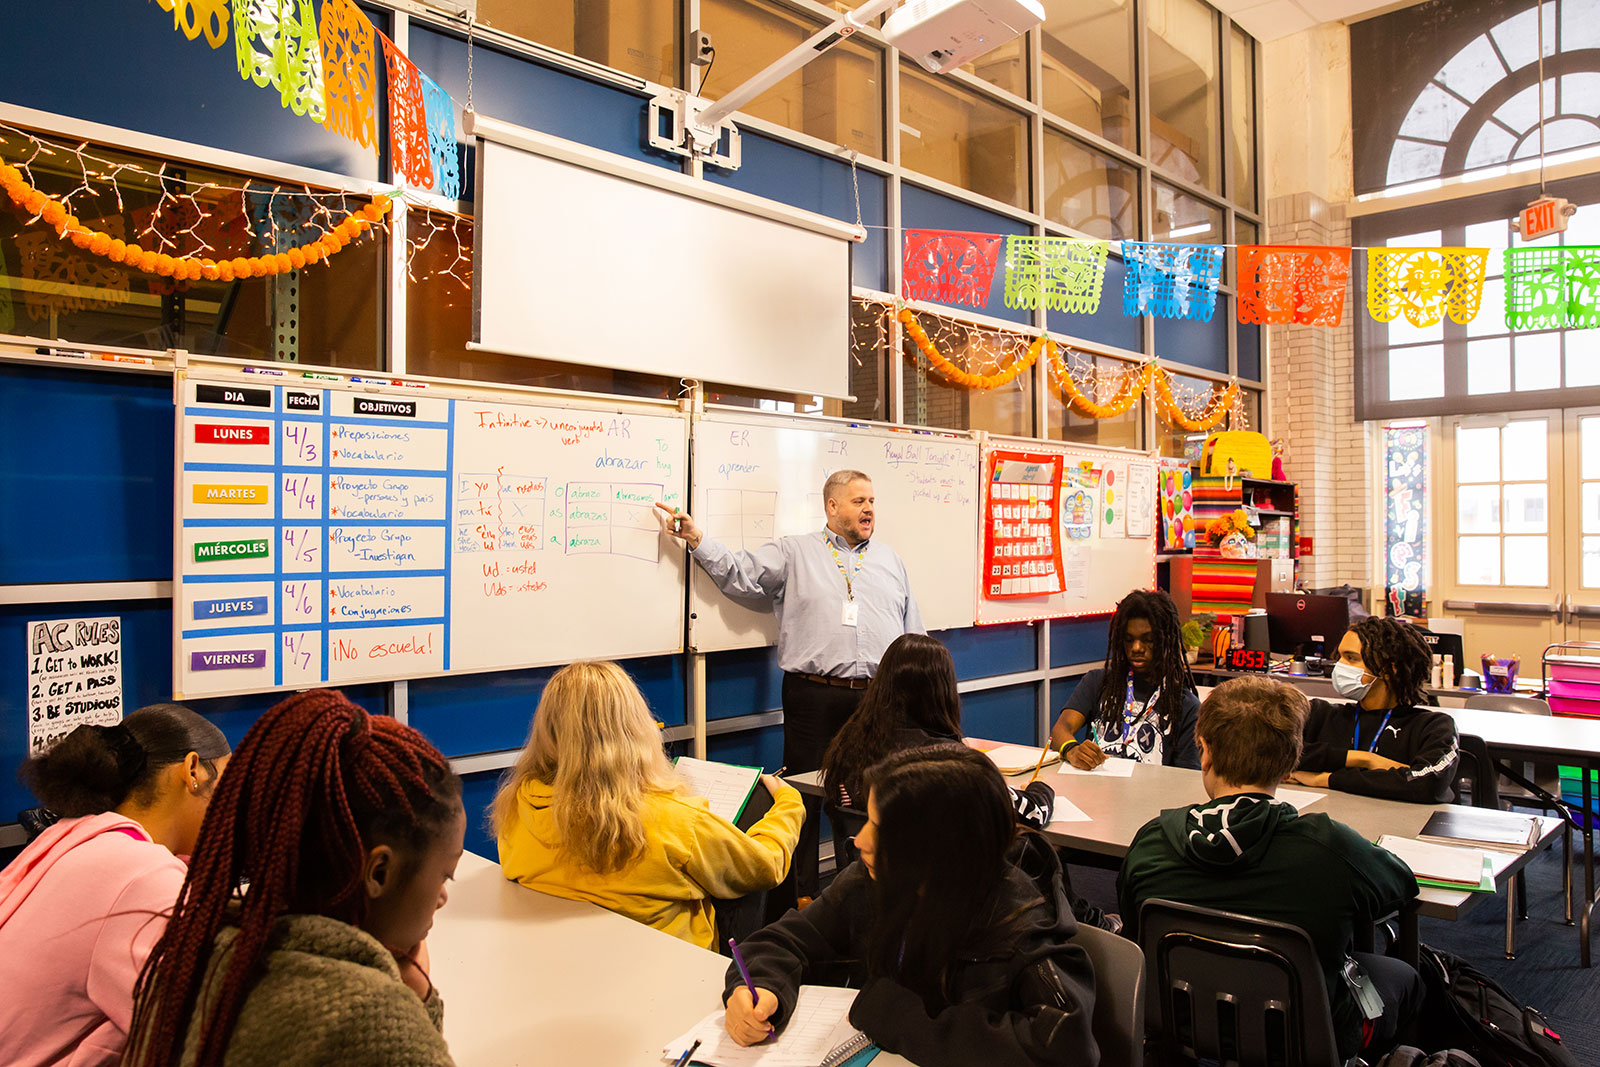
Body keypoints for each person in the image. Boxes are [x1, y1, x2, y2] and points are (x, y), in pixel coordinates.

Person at [124, 690, 463, 1067]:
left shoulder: (200, 949)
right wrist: (417, 999)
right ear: (379, 872)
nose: (443, 896)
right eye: (444, 875)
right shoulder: (370, 1015)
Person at [722, 746, 1098, 1067]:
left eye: (880, 828)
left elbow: (1066, 1048)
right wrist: (760, 988)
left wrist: (899, 1016)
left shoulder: (1020, 925)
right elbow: (784, 941)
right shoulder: (872, 882)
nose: (860, 841)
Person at [1118, 676, 1424, 1061]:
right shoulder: (1330, 847)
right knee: (1407, 978)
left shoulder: (1151, 842)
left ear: (1205, 752)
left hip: (1182, 1024)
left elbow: (1134, 939)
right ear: (1289, 762)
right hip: (1310, 1035)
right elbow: (1401, 886)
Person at [658, 469, 924, 897]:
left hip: (877, 699)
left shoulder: (891, 561)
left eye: (871, 501)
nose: (869, 509)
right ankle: (798, 898)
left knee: (866, 796)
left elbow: (914, 633)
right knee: (803, 797)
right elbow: (740, 573)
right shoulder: (795, 553)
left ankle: (861, 891)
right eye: (858, 501)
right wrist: (697, 539)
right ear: (832, 506)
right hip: (813, 695)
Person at [494, 660, 805, 951]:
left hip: (564, 955)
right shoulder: (674, 819)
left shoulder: (518, 804)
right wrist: (789, 802)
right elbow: (764, 867)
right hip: (673, 968)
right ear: (632, 728)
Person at [0, 705, 230, 1067]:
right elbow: (191, 1030)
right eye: (227, 785)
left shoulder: (74, 834)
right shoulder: (141, 874)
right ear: (193, 771)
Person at [819, 633, 1054, 853]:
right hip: (933, 887)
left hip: (869, 880)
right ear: (942, 692)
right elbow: (1032, 814)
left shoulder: (849, 744)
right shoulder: (949, 760)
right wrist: (1040, 788)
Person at [1289, 616, 1459, 803]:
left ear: (1388, 670)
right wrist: (1364, 759)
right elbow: (1268, 752)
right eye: (1340, 657)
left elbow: (1427, 783)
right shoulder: (1320, 714)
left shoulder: (1433, 727)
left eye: (1351, 658)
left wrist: (1327, 778)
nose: (1339, 666)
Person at [1047, 589, 1200, 770]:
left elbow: (1186, 779)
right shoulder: (1098, 682)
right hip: (1095, 792)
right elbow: (1060, 731)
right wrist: (1072, 750)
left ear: (1166, 640)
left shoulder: (1186, 706)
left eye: (1148, 640)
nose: (1136, 648)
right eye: (1129, 640)